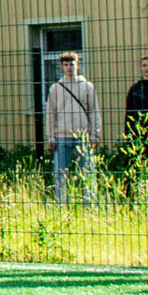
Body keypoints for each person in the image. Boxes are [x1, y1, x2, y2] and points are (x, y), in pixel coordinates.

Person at [45, 50, 101, 206]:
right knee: (60, 174)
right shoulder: (56, 88)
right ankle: (61, 205)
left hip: (83, 136)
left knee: (87, 173)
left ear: (78, 65)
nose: (69, 68)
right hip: (62, 136)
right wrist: (51, 136)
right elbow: (51, 114)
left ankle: (90, 206)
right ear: (62, 67)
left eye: (72, 64)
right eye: (66, 65)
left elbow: (94, 111)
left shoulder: (87, 86)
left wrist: (95, 134)